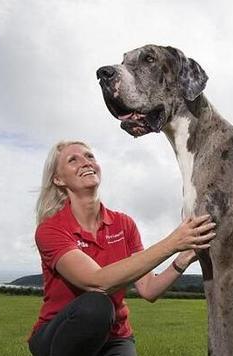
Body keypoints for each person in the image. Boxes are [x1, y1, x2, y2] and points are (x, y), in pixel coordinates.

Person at [28, 140, 215, 356]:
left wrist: (181, 260)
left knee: (100, 307)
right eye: (73, 160)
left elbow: (148, 289)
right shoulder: (51, 229)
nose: (86, 162)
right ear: (58, 179)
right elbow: (96, 282)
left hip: (115, 336)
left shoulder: (123, 224)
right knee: (96, 305)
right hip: (57, 334)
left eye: (90, 156)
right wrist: (173, 242)